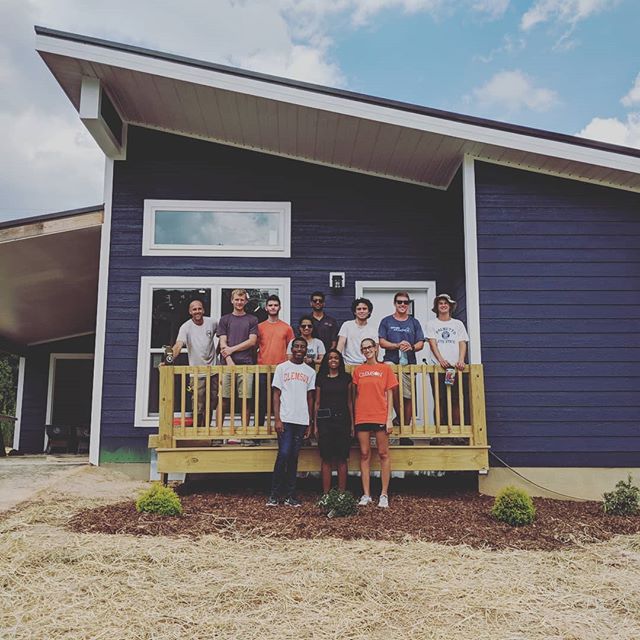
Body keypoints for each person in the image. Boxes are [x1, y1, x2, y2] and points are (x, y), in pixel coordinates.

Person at [266, 337, 316, 507]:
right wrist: (277, 418)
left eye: (303, 347)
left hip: (301, 419)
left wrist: (309, 422)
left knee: (294, 457)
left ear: (306, 350)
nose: (299, 349)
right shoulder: (282, 368)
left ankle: (290, 496)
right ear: (291, 349)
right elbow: (276, 394)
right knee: (284, 454)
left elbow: (310, 398)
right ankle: (274, 494)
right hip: (286, 419)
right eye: (297, 347)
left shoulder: (310, 372)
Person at [352, 338, 398, 508]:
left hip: (380, 415)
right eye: (364, 348)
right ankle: (366, 494)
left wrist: (389, 418)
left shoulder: (385, 369)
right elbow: (356, 395)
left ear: (375, 348)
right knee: (364, 454)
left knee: (383, 454)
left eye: (369, 347)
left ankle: (384, 494)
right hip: (363, 416)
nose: (367, 350)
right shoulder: (358, 371)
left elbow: (390, 394)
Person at [165, 299, 218, 427]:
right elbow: (178, 345)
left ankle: (207, 431)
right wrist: (167, 361)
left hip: (214, 370)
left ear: (203, 310)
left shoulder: (212, 323)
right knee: (198, 404)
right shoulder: (186, 327)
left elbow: (224, 336)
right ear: (190, 311)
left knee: (211, 402)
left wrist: (222, 350)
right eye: (194, 309)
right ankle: (197, 431)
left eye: (199, 308)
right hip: (196, 372)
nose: (197, 311)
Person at [378, 291, 425, 427]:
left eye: (406, 302)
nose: (403, 304)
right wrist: (397, 345)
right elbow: (382, 342)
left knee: (408, 396)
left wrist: (411, 347)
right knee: (394, 388)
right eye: (400, 302)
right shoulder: (386, 321)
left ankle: (404, 427)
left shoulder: (414, 322)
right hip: (391, 360)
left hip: (409, 363)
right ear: (395, 303)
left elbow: (420, 343)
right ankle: (399, 418)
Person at [313, 349, 353, 494]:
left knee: (342, 458)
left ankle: (342, 494)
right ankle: (326, 494)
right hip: (325, 422)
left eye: (336, 358)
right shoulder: (321, 378)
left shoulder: (346, 378)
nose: (333, 360)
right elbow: (317, 403)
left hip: (342, 421)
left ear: (340, 360)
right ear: (326, 361)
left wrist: (352, 424)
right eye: (330, 358)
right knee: (326, 458)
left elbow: (349, 402)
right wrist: (315, 425)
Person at [425, 293, 469, 426]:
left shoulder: (458, 324)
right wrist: (441, 360)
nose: (443, 305)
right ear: (437, 307)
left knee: (455, 399)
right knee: (439, 399)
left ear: (450, 306)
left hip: (455, 368)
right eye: (440, 303)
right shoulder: (432, 324)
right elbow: (433, 343)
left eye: (446, 303)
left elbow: (462, 342)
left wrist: (461, 359)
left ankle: (456, 433)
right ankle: (440, 434)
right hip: (438, 368)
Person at [217, 289, 258, 425]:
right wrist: (229, 359)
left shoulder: (252, 319)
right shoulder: (225, 319)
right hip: (227, 365)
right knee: (223, 399)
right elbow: (222, 342)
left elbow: (252, 341)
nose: (239, 302)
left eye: (242, 300)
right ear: (232, 300)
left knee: (245, 400)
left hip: (246, 364)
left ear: (245, 301)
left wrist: (231, 350)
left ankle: (245, 437)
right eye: (237, 299)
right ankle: (218, 435)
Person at [257, 294, 294, 426]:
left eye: (275, 305)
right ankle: (259, 431)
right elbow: (254, 346)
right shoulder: (260, 327)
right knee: (261, 400)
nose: (273, 307)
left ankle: (282, 428)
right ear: (266, 308)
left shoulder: (286, 327)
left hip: (281, 369)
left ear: (279, 307)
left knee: (281, 400)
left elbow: (291, 349)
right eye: (270, 305)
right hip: (262, 368)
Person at [336, 298, 378, 366]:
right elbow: (340, 345)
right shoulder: (347, 325)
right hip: (348, 365)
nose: (361, 311)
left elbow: (376, 350)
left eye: (364, 309)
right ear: (355, 312)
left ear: (369, 311)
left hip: (366, 365)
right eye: (359, 309)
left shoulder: (373, 329)